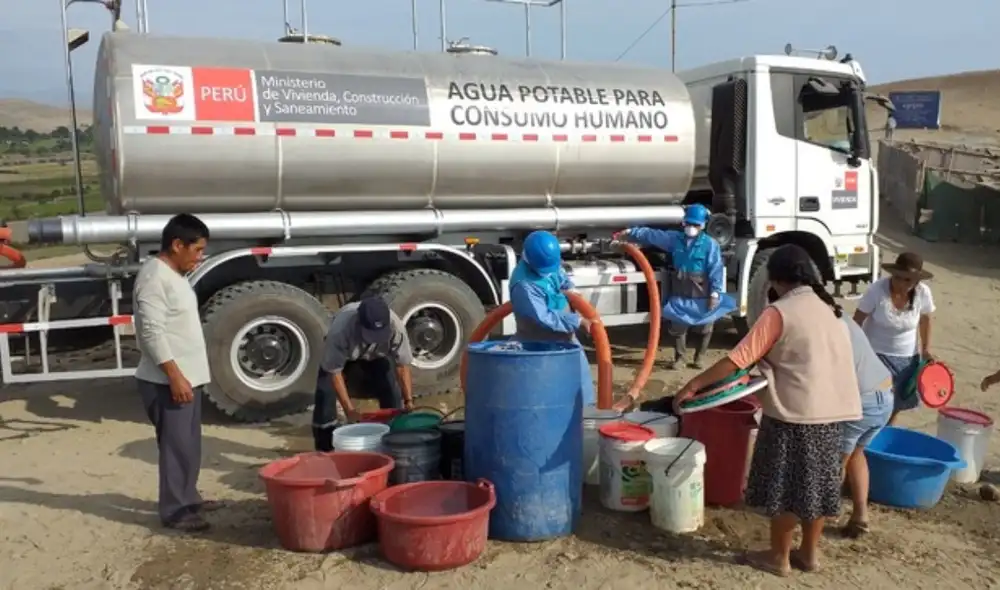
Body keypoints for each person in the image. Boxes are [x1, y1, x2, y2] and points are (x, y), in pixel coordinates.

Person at [673, 244, 861, 577]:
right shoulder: (831, 309)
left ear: (774, 279)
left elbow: (737, 360)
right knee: (816, 488)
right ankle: (809, 554)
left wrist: (693, 386)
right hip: (831, 416)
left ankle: (779, 557)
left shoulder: (779, 312)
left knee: (787, 489)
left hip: (794, 415)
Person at [133, 213, 216, 532]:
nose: (200, 257)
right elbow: (151, 333)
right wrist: (175, 376)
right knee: (176, 446)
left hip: (185, 379)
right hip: (168, 381)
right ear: (177, 245)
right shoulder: (154, 278)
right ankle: (176, 510)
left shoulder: (174, 275)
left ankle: (188, 498)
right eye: (197, 250)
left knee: (189, 445)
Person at [617, 203, 735, 371]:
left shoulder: (710, 245)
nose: (691, 228)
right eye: (689, 223)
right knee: (678, 326)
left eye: (695, 225)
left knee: (705, 326)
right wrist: (632, 232)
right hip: (681, 289)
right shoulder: (675, 239)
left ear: (703, 225)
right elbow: (653, 235)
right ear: (684, 223)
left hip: (702, 292)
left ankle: (699, 357)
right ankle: (680, 358)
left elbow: (715, 269)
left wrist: (715, 293)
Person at [312, 296, 416, 452]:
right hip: (345, 359)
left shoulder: (396, 327)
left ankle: (393, 437)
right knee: (325, 392)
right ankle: (324, 446)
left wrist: (408, 400)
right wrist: (349, 410)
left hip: (376, 357)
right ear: (358, 322)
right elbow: (334, 372)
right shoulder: (340, 330)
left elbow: (402, 365)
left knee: (391, 387)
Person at [509, 230, 597, 407]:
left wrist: (571, 290)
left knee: (580, 383)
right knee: (543, 391)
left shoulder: (548, 263)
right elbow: (543, 318)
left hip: (565, 338)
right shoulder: (524, 285)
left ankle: (586, 416)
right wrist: (577, 321)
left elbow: (560, 277)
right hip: (537, 344)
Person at [852, 252, 935, 425]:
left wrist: (926, 349)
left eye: (908, 280)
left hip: (907, 358)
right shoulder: (876, 290)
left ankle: (886, 434)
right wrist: (856, 351)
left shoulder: (923, 293)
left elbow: (925, 320)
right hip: (875, 356)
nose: (901, 284)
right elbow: (857, 321)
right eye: (898, 278)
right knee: (873, 405)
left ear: (917, 281)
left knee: (896, 405)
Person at [839, 312, 894, 539]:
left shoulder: (822, 325)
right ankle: (860, 516)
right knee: (856, 454)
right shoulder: (842, 317)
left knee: (836, 461)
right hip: (885, 394)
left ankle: (817, 521)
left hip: (863, 400)